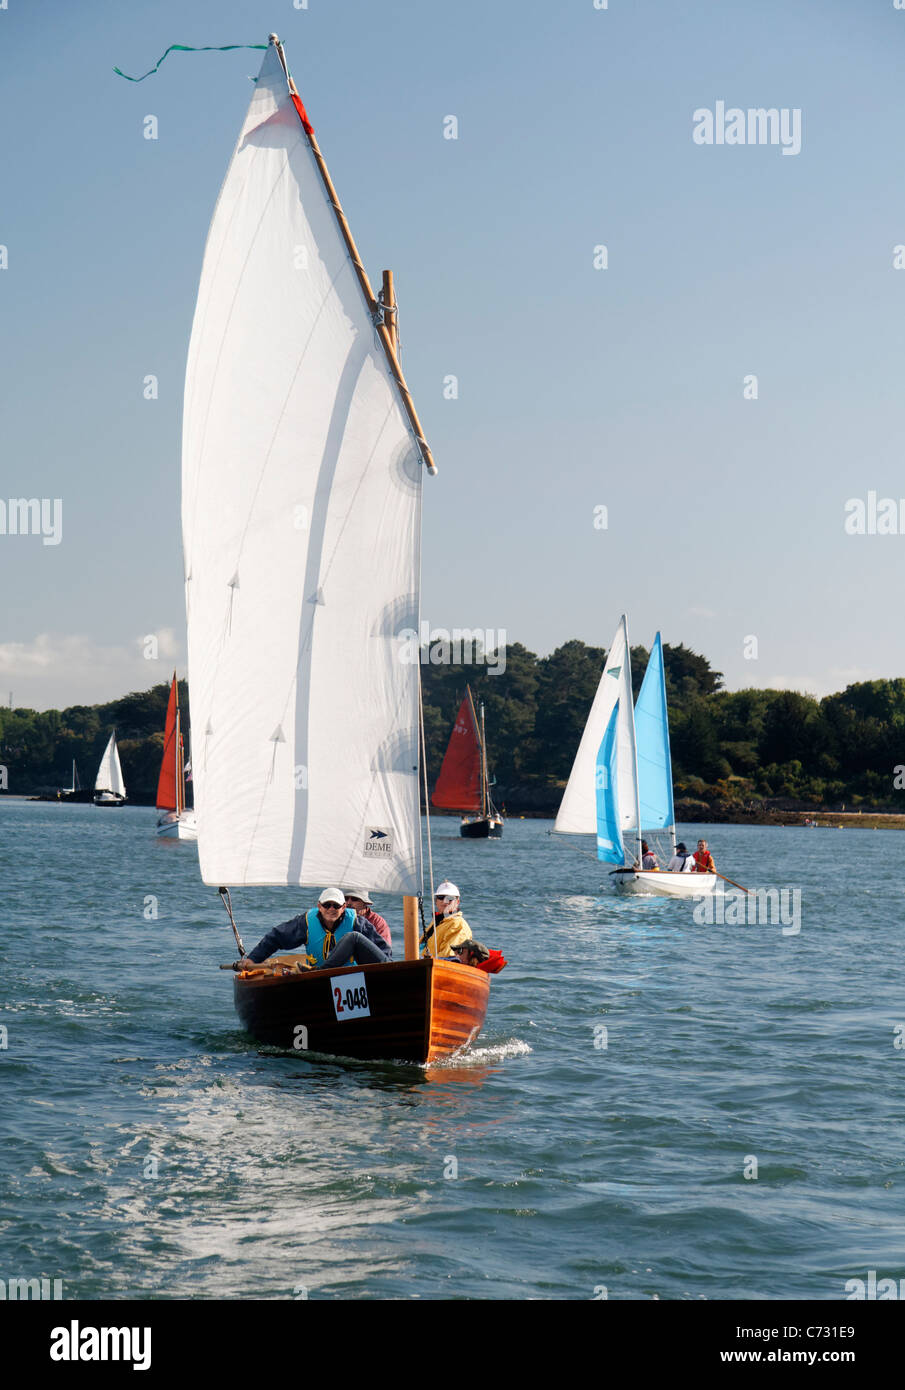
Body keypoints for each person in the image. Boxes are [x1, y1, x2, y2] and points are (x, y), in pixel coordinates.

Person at [238, 887, 391, 970]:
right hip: (322, 981)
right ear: (319, 906)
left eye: (336, 905)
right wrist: (252, 959)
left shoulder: (358, 923)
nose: (331, 909)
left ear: (343, 908)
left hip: (354, 975)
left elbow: (383, 952)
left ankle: (320, 972)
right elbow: (276, 937)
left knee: (353, 937)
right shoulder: (306, 923)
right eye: (326, 905)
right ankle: (320, 973)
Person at [420, 880, 473, 958]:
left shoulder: (458, 924)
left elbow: (449, 956)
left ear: (457, 902)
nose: (445, 901)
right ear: (436, 901)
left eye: (449, 898)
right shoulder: (438, 922)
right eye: (441, 897)